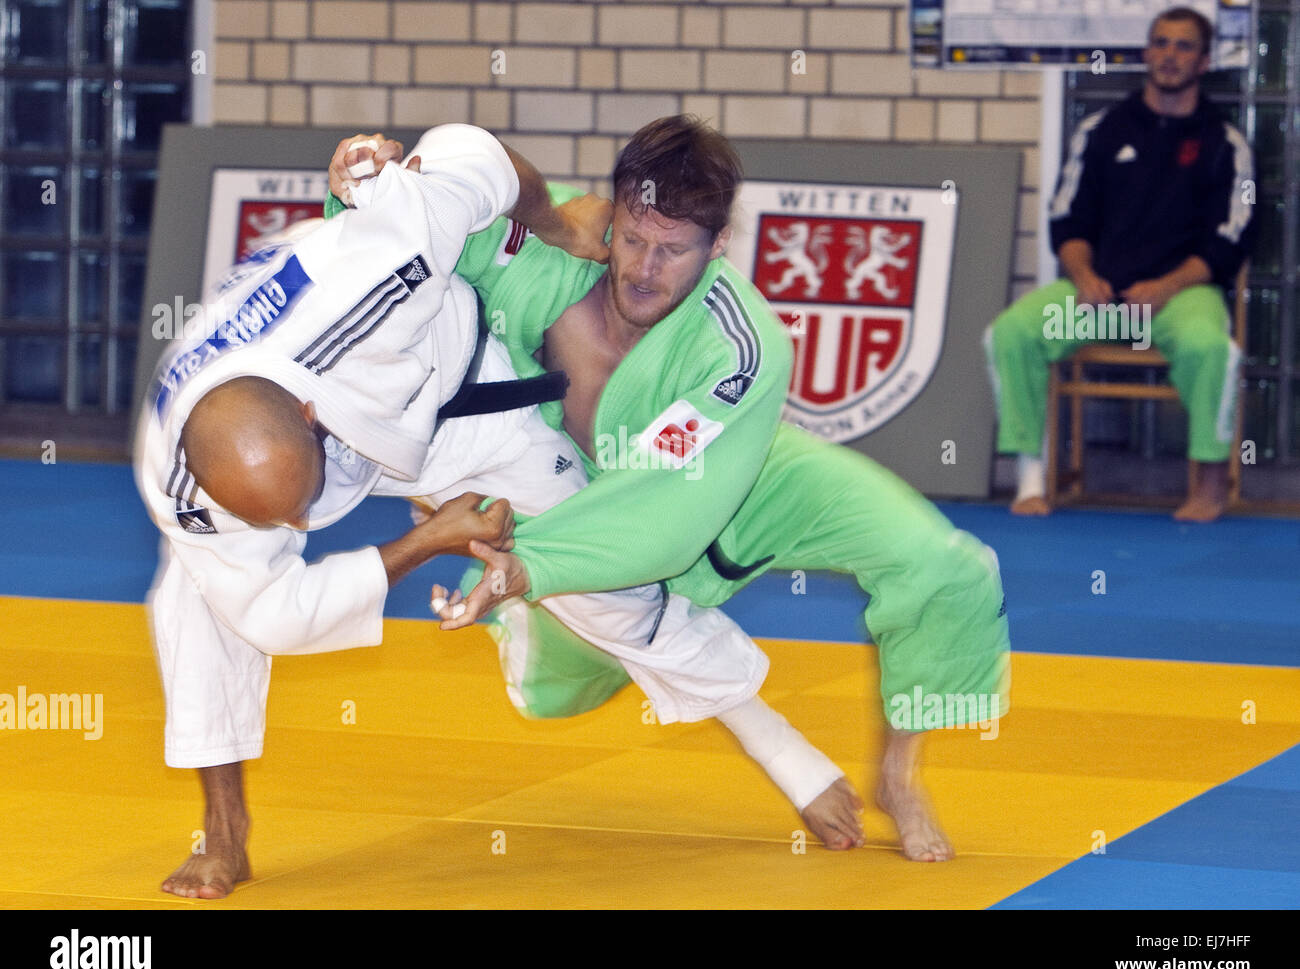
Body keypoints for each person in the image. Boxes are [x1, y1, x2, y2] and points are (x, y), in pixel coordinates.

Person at [139, 123, 845, 899]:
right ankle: (225, 834)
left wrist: (552, 219)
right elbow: (274, 614)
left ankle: (784, 752)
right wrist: (431, 540)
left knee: (600, 585)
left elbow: (469, 150)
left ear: (310, 412)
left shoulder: (384, 259)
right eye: (284, 519)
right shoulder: (183, 482)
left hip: (460, 403)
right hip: (292, 438)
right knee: (199, 598)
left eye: (302, 503)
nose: (304, 525)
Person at [334, 116, 1010, 862]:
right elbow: (401, 234)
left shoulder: (740, 342)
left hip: (737, 472)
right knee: (557, 694)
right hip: (581, 498)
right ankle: (541, 611)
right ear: (611, 214)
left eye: (674, 250)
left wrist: (538, 564)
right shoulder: (542, 250)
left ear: (719, 244)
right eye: (631, 238)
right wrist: (356, 186)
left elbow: (671, 503)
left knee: (946, 563)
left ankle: (901, 776)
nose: (644, 269)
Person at [986, 6, 1255, 522]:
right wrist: (1084, 277)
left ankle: (1210, 483)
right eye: (1161, 43)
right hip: (1104, 300)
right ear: (1147, 52)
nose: (1170, 56)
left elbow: (1233, 238)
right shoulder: (1102, 130)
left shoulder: (1226, 144)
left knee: (1211, 348)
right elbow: (1067, 222)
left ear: (1203, 62)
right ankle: (1030, 477)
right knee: (1013, 331)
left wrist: (1166, 285)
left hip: (1180, 297)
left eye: (1183, 47)